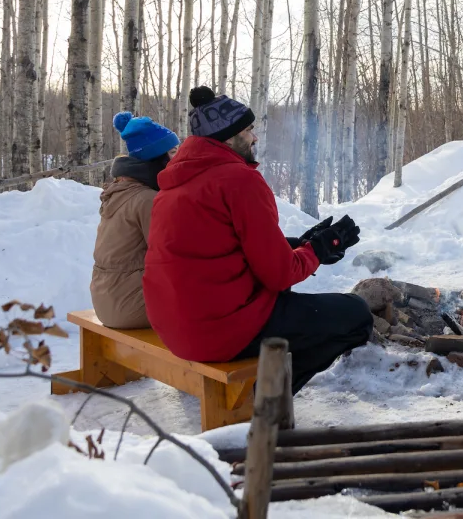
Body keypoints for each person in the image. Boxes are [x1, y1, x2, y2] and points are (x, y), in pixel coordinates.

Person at [144, 86, 372, 393]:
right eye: (249, 130)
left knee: (292, 307)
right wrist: (317, 250)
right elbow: (278, 276)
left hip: (174, 327)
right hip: (219, 331)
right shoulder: (239, 180)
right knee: (356, 315)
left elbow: (221, 248)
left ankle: (262, 386)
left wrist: (296, 244)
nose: (255, 137)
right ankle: (265, 397)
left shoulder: (174, 185)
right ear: (228, 136)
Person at [90, 112, 179, 329]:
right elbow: (172, 256)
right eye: (173, 152)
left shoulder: (122, 190)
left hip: (108, 299)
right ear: (157, 158)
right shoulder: (146, 199)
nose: (179, 159)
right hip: (131, 305)